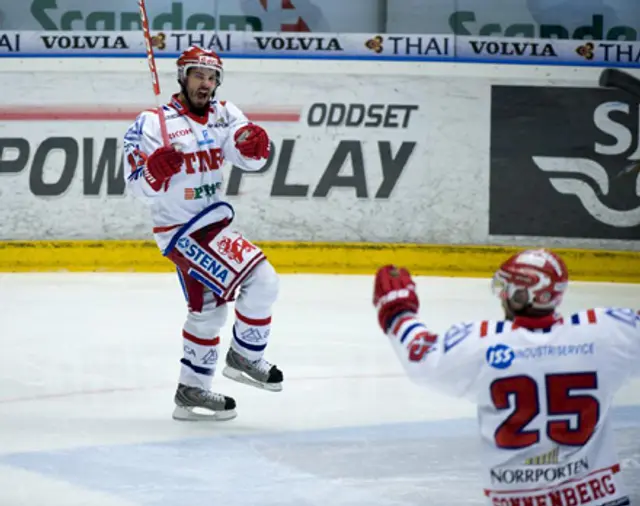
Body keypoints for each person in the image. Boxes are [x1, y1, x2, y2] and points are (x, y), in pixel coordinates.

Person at [373, 249, 639, 506]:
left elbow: (421, 356)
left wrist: (399, 312)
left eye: (507, 289)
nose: (501, 296)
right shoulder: (606, 333)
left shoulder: (483, 343)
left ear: (523, 295)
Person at [123, 46, 282, 422]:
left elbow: (250, 158)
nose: (205, 84)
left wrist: (257, 146)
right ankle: (246, 355)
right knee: (262, 281)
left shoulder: (226, 114)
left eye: (211, 77)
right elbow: (136, 187)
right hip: (182, 230)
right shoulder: (152, 124)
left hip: (212, 224)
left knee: (207, 312)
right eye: (198, 75)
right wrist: (155, 172)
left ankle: (191, 390)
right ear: (182, 77)